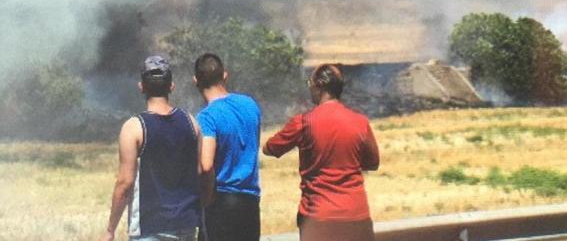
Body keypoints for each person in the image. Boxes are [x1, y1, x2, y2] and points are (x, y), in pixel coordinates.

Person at [263, 63, 380, 241]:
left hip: (318, 217)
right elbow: (373, 162)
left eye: (310, 83)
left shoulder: (303, 123)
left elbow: (270, 148)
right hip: (357, 214)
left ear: (319, 86)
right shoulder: (360, 122)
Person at [100, 56, 201, 241]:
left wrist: (110, 230)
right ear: (171, 86)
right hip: (186, 226)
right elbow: (202, 171)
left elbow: (124, 182)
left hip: (150, 228)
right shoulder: (191, 122)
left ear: (142, 87)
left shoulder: (134, 128)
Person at [193, 53, 262, 241]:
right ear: (224, 75)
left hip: (222, 202)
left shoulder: (207, 117)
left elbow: (206, 166)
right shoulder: (250, 105)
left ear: (196, 81)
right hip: (250, 201)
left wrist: (205, 201)